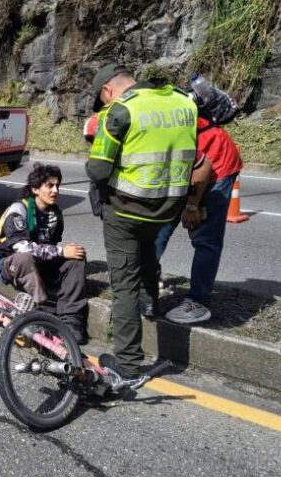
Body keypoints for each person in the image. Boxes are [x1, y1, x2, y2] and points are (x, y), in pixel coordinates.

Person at [86, 63, 198, 378]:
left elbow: (97, 170)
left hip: (125, 210)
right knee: (147, 248)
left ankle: (128, 362)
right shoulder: (183, 102)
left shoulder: (118, 112)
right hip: (166, 208)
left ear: (107, 90)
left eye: (102, 99)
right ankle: (150, 303)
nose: (104, 105)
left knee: (123, 284)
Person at [155, 116, 243, 324]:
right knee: (157, 229)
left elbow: (202, 168)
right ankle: (147, 281)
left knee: (205, 239)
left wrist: (191, 206)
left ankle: (199, 301)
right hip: (183, 167)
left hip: (214, 166)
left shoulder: (162, 131)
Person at [0, 163, 89, 344]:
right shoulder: (18, 210)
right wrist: (61, 251)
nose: (55, 190)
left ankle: (71, 319)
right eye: (49, 186)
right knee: (25, 258)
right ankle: (40, 313)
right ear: (35, 189)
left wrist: (66, 253)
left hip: (39, 262)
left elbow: (52, 245)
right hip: (9, 263)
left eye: (57, 186)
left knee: (76, 257)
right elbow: (23, 248)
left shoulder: (56, 214)